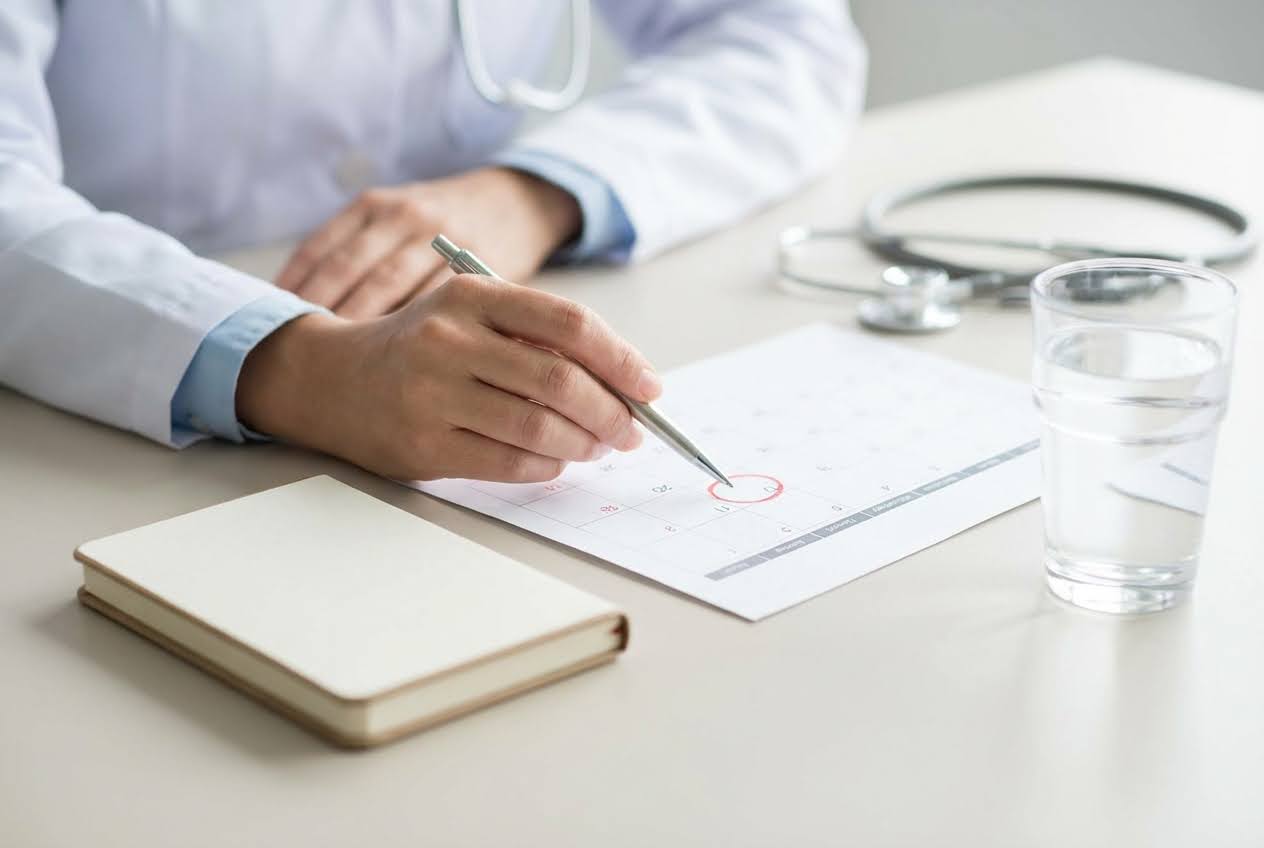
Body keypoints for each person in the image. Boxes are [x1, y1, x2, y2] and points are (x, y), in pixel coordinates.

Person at [0, 1, 866, 482]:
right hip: (92, 406)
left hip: (459, 327)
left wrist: (536, 192)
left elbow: (783, 35)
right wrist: (290, 367)